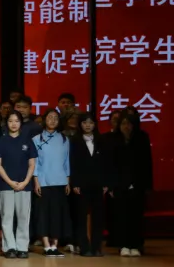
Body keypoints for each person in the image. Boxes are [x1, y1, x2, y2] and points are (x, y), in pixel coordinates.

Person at [0, 111, 37, 259]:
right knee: (7, 216)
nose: (13, 124)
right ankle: (9, 247)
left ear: (21, 123)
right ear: (7, 123)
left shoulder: (27, 141)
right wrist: (10, 182)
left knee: (23, 216)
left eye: (17, 121)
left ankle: (22, 247)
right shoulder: (1, 141)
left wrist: (25, 182)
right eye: (11, 121)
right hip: (6, 184)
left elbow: (32, 164)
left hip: (24, 185)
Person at [111, 113, 153, 257]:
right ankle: (123, 245)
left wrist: (147, 185)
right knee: (121, 216)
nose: (126, 127)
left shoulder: (142, 137)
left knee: (136, 216)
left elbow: (147, 162)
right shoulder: (115, 139)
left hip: (138, 183)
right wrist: (111, 185)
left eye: (129, 123)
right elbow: (110, 164)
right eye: (123, 123)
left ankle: (136, 244)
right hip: (119, 184)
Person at [33, 109, 71, 257]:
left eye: (56, 117)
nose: (53, 120)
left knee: (57, 215)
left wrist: (67, 181)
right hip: (43, 182)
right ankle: (46, 245)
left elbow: (67, 162)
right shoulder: (36, 139)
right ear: (44, 120)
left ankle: (55, 245)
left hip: (60, 182)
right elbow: (35, 163)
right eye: (50, 117)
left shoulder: (64, 139)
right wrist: (36, 181)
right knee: (43, 215)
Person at [70, 112, 109, 257]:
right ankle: (84, 247)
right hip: (81, 184)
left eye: (91, 122)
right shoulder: (75, 141)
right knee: (81, 216)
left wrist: (106, 183)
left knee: (98, 216)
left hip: (98, 183)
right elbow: (72, 163)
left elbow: (106, 163)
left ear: (95, 124)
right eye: (85, 122)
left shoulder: (101, 140)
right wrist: (75, 182)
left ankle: (96, 247)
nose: (87, 125)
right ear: (80, 124)